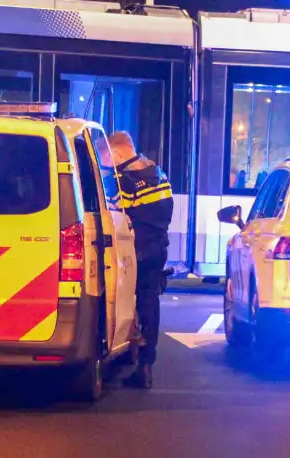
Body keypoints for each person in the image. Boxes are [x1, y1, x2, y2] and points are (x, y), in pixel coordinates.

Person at [107, 131, 173, 389]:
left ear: (119, 152)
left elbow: (113, 216)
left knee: (120, 300)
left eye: (110, 156)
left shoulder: (122, 181)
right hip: (158, 248)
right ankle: (145, 365)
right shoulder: (159, 175)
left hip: (132, 251)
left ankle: (119, 355)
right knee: (149, 303)